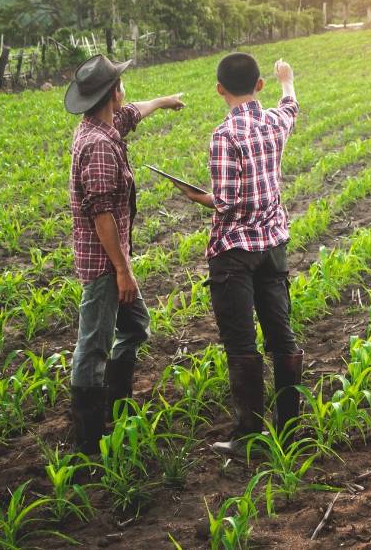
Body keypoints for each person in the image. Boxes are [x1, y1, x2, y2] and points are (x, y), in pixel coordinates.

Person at [175, 53, 303, 455]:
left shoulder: (223, 136)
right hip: (273, 246)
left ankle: (249, 436)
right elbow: (291, 106)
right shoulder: (273, 122)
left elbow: (226, 203)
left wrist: (197, 196)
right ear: (259, 85)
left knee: (242, 344)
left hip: (233, 252)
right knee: (281, 335)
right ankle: (290, 428)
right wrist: (287, 79)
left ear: (219, 90)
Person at [65, 54, 184, 454]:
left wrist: (165, 101)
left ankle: (118, 406)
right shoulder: (98, 146)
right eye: (120, 83)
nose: (125, 91)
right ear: (112, 93)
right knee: (93, 345)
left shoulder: (106, 124)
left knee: (134, 326)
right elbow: (102, 217)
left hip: (112, 262)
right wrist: (123, 271)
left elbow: (134, 112)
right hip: (105, 265)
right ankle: (88, 440)